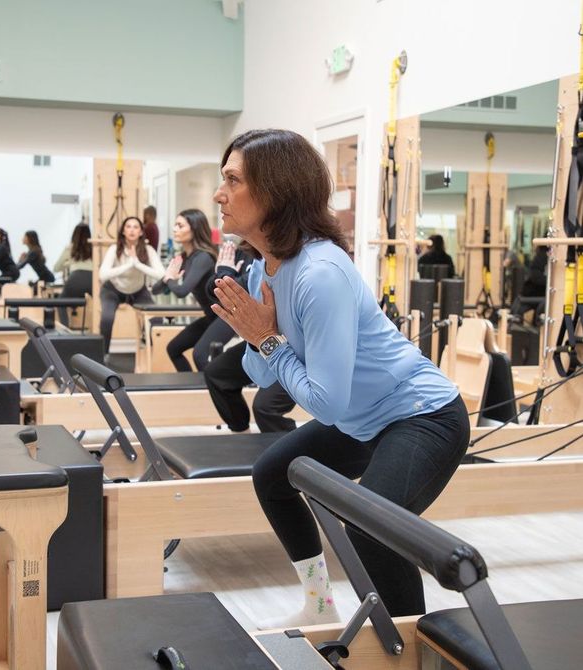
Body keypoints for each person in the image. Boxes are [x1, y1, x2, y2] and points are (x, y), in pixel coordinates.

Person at [211, 129, 469, 628]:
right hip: (363, 418)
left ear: (274, 190)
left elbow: (324, 403)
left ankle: (408, 654)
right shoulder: (265, 270)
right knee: (273, 475)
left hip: (422, 415)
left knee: (371, 526)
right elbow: (263, 372)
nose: (220, 194)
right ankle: (319, 603)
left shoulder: (318, 273)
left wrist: (267, 340)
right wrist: (257, 338)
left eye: (232, 180)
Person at [203, 240, 297, 432]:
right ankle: (242, 436)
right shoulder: (259, 262)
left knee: (265, 407)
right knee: (217, 374)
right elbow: (219, 291)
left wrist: (224, 273)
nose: (224, 209)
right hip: (268, 340)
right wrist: (223, 272)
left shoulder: (302, 263)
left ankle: (293, 459)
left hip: (297, 348)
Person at [152, 209, 224, 371]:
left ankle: (215, 391)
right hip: (211, 316)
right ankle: (195, 390)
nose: (174, 229)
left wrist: (169, 278)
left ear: (194, 228)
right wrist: (167, 278)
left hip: (226, 317)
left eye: (180, 225)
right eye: (175, 225)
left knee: (199, 355)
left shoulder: (203, 257)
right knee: (174, 349)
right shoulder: (185, 258)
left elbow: (182, 291)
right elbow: (156, 290)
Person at [99, 216, 164, 354]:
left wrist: (138, 264)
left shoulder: (148, 250)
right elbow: (102, 275)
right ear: (123, 231)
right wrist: (129, 265)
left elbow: (161, 275)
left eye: (136, 227)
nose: (132, 230)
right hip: (113, 290)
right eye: (128, 227)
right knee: (107, 318)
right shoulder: (115, 248)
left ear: (141, 232)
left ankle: (149, 351)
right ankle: (103, 355)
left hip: (138, 291)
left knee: (157, 318)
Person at [54, 222, 93, 327]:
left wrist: (68, 263)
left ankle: (65, 330)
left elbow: (56, 268)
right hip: (92, 279)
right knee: (99, 303)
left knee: (61, 303)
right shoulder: (94, 247)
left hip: (75, 279)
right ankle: (96, 329)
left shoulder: (70, 248)